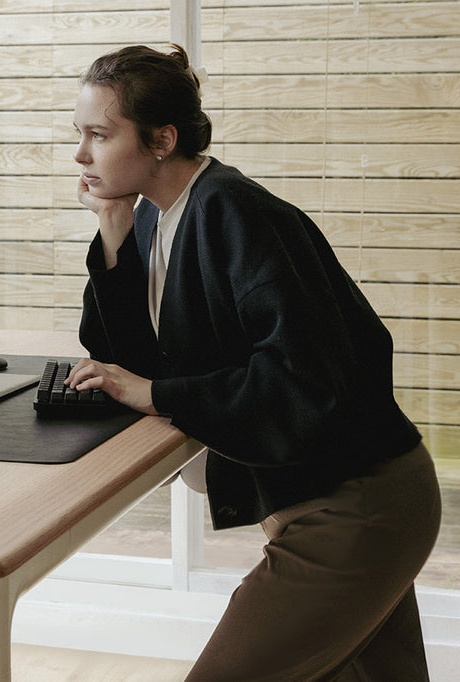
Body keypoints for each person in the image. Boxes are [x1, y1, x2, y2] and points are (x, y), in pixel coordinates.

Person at [67, 44, 442, 680]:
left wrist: (159, 395)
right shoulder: (161, 217)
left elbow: (304, 379)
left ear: (162, 139)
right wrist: (113, 227)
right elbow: (132, 361)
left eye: (99, 135)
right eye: (80, 135)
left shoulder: (233, 212)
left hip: (356, 507)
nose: (80, 155)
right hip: (343, 505)